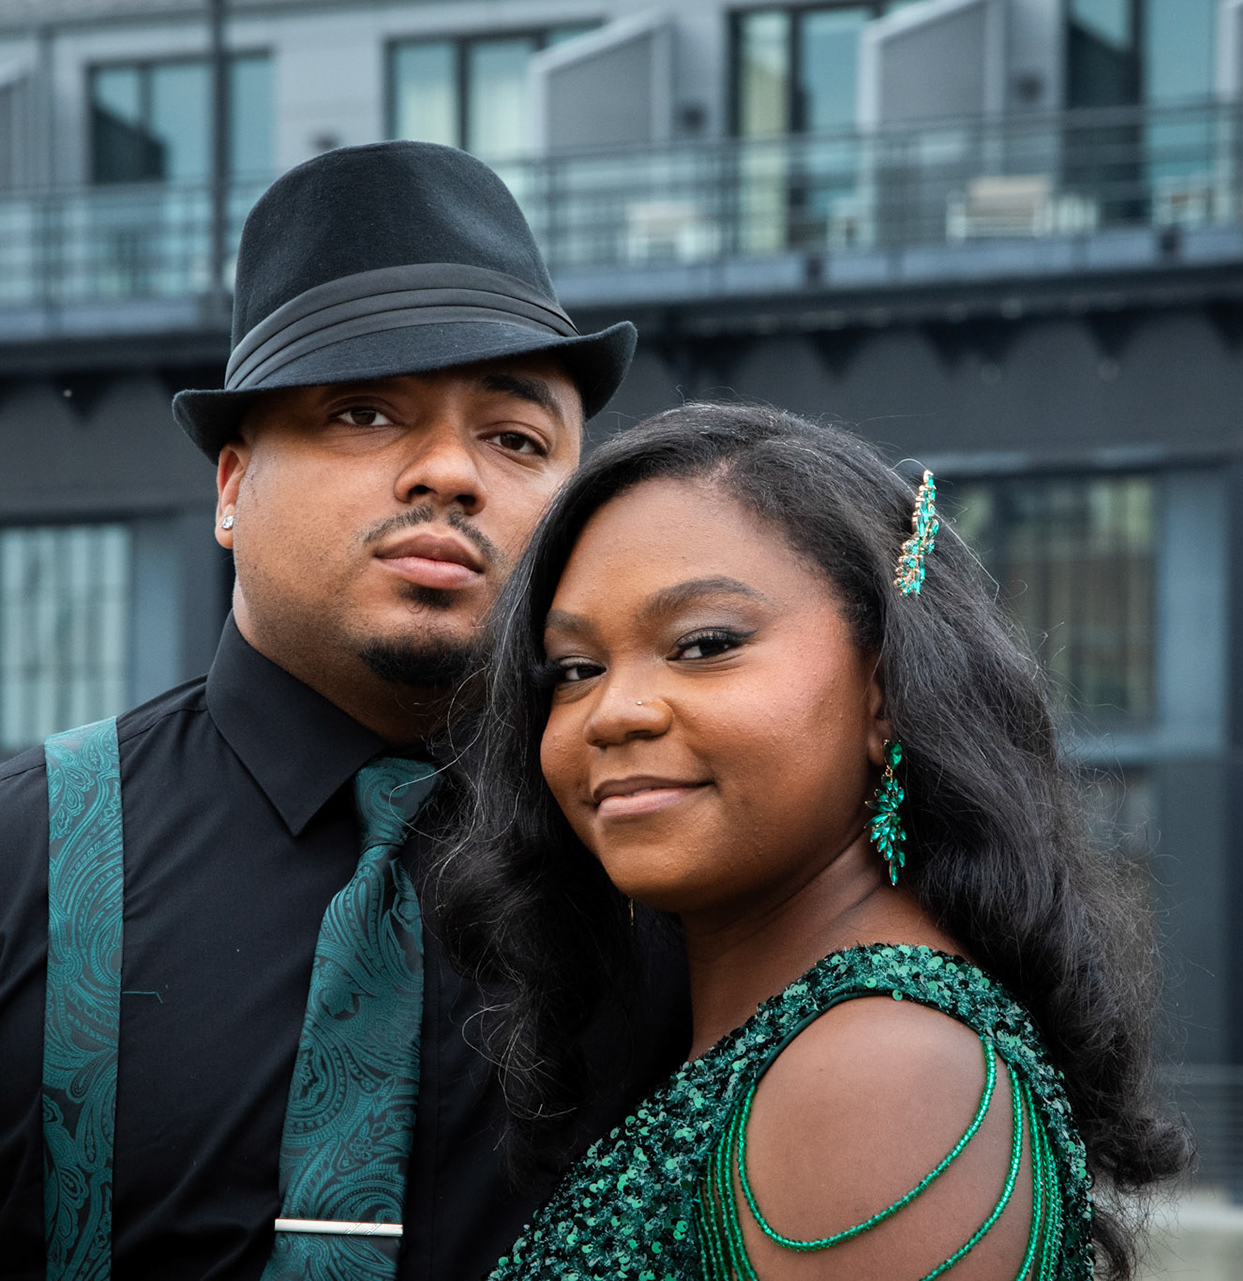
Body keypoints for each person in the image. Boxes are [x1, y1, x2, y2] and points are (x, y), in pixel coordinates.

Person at [0, 141, 687, 1281]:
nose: (449, 473)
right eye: (363, 412)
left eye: (515, 440)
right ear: (230, 487)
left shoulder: (670, 885)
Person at [436, 403, 1192, 1280]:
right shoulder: (800, 1036)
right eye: (575, 669)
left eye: (704, 644)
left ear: (888, 686)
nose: (613, 712)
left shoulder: (880, 1072)